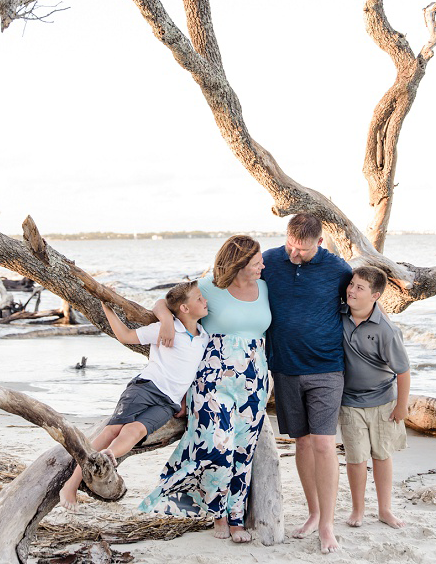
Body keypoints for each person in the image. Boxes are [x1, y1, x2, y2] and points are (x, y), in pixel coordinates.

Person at [140, 236, 271, 544]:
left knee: (243, 451)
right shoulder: (208, 286)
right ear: (239, 265)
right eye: (256, 263)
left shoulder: (264, 287)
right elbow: (165, 300)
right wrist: (165, 322)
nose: (262, 266)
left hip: (254, 380)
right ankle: (218, 514)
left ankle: (237, 518)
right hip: (212, 380)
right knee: (217, 447)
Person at [59, 282, 209, 511]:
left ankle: (108, 456)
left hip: (168, 403)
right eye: (199, 298)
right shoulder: (166, 328)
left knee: (135, 431)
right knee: (111, 430)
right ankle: (71, 483)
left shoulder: (204, 338)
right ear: (185, 309)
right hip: (146, 387)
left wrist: (185, 398)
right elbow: (126, 335)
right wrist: (108, 308)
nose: (205, 301)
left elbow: (192, 371)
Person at [262, 213, 353, 553]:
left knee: (324, 445)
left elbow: (362, 303)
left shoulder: (339, 269)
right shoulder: (269, 260)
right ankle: (314, 513)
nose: (293, 255)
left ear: (319, 242)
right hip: (284, 369)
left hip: (327, 368)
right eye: (289, 246)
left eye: (300, 249)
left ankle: (327, 525)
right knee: (301, 443)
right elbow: (225, 279)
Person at [340, 265, 411, 528]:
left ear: (375, 296)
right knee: (356, 458)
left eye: (360, 288)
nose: (352, 290)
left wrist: (402, 407)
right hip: (350, 403)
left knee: (382, 455)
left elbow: (403, 372)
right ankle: (357, 510)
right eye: (351, 284)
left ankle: (384, 510)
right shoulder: (340, 316)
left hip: (383, 402)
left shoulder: (386, 331)